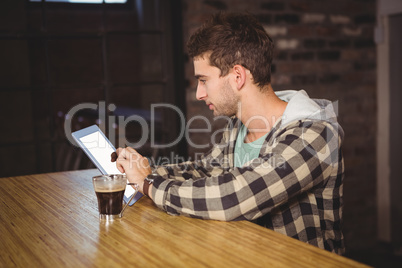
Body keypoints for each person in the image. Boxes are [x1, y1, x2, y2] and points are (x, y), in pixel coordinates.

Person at [112, 12, 345, 255]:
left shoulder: (315, 135)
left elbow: (235, 196)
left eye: (203, 80)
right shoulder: (238, 125)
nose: (199, 94)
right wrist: (143, 170)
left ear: (237, 76)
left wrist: (149, 183)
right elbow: (207, 170)